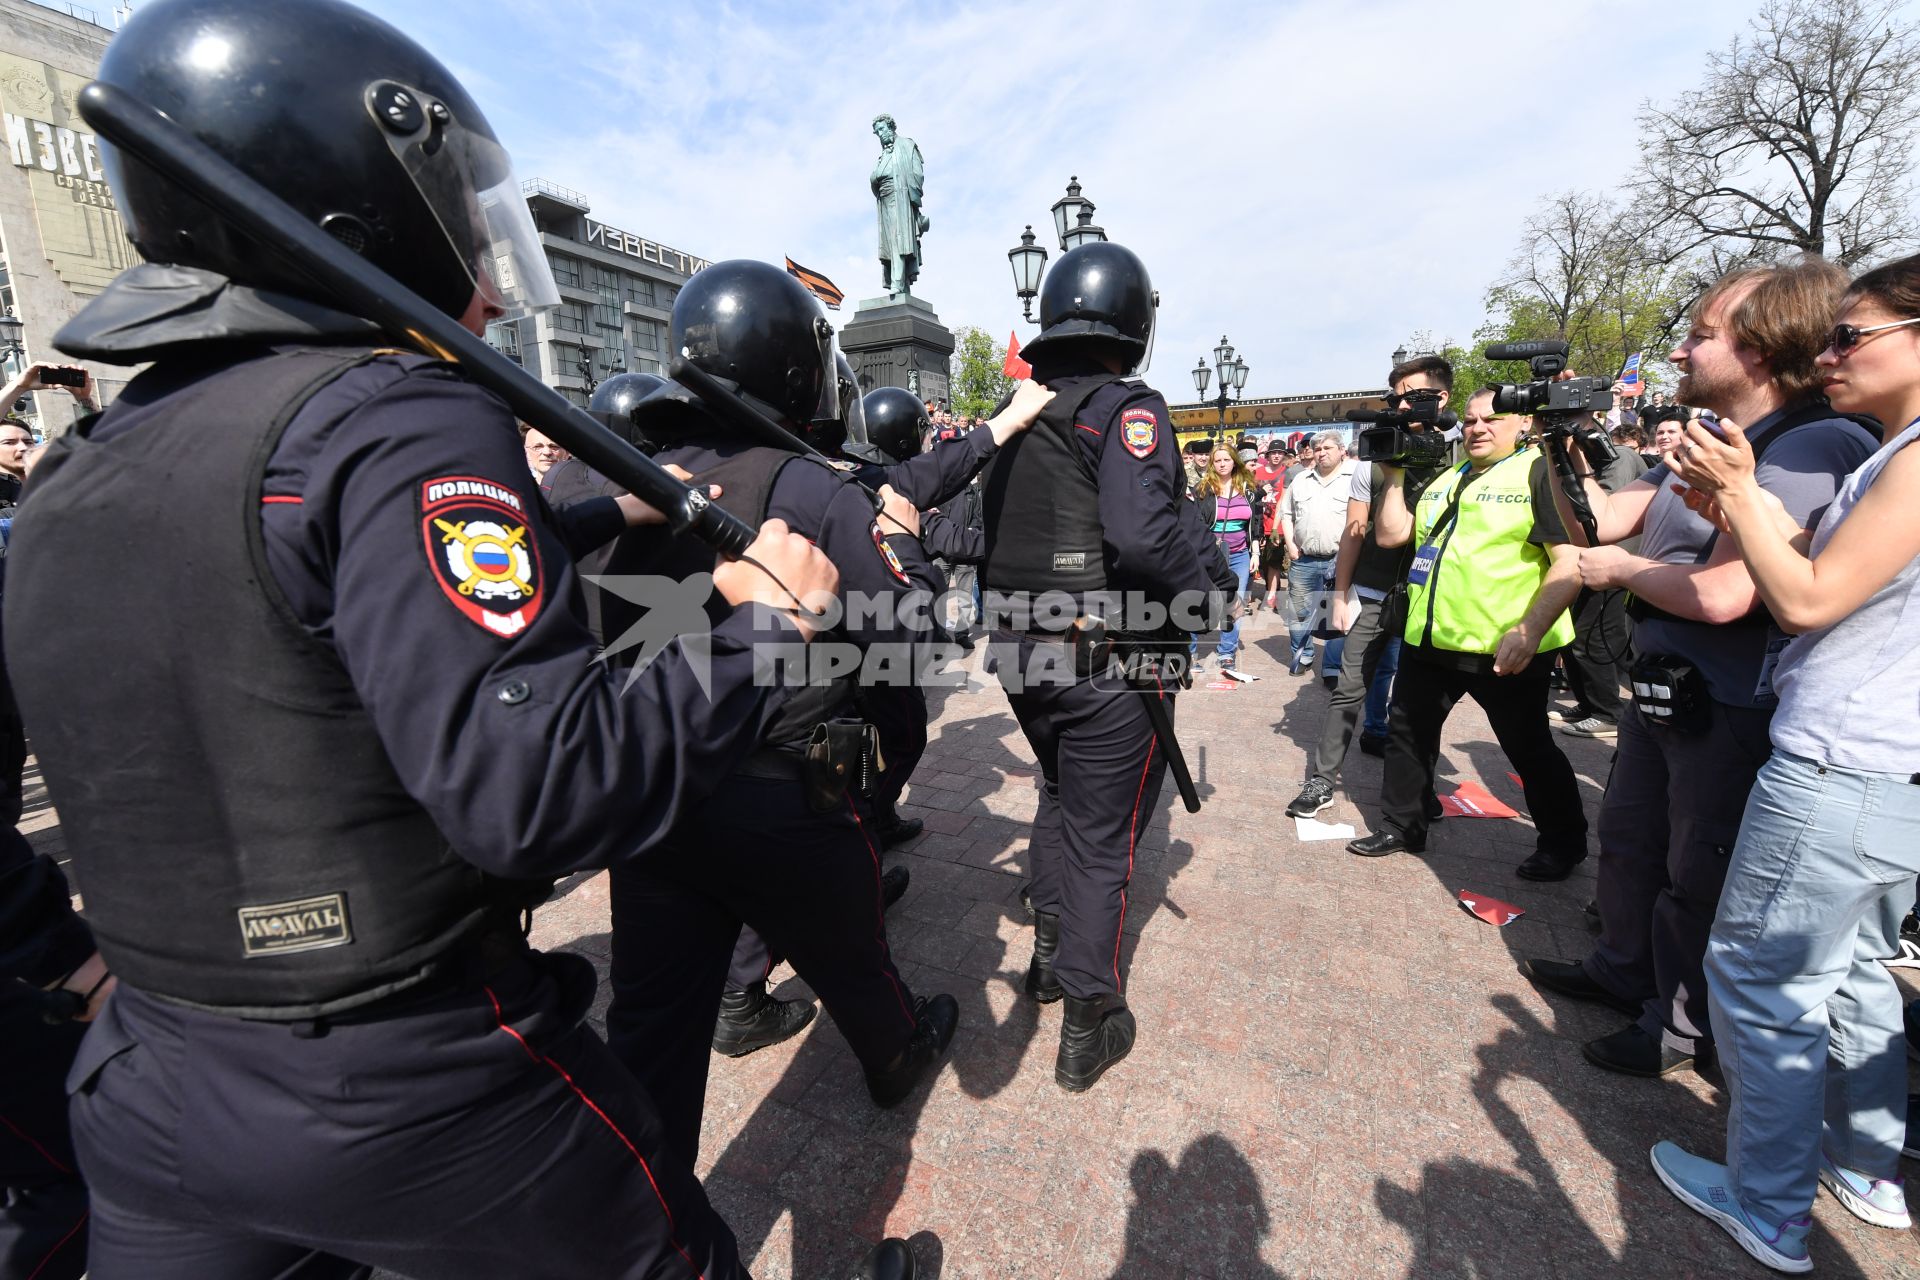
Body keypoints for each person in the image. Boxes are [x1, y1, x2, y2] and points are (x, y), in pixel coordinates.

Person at [0, 3, 916, 1276]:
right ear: (358, 199)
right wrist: (759, 626)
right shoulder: (394, 415)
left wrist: (65, 960)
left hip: (156, 1077)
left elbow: (297, 596)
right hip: (403, 1076)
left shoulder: (73, 471)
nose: (487, 289)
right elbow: (535, 786)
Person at [600, 262, 1028, 1165]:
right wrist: (909, 547)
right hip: (777, 786)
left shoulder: (604, 477)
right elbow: (906, 642)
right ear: (798, 368)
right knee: (853, 950)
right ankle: (894, 1052)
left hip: (649, 781)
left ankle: (652, 1198)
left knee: (647, 1032)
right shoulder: (810, 487)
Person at [1523, 257, 1877, 1081]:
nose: (1680, 353)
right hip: (1667, 687)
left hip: (1729, 704)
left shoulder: (1812, 442)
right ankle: (1621, 972)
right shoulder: (1714, 440)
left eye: (1700, 336)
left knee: (1695, 868)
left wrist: (1626, 575)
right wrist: (1560, 444)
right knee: (1631, 839)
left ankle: (1677, 1029)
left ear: (1760, 349)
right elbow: (1605, 518)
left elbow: (1724, 594)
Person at [1650, 253, 1920, 1273]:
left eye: (1855, 335)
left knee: (1762, 979)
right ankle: (1867, 1167)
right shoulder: (1893, 451)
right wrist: (1741, 501)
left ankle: (1767, 1203)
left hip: (1837, 761)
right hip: (1886, 771)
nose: (1829, 352)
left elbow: (1805, 599)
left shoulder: (1911, 458)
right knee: (1855, 974)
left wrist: (1737, 492)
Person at [979, 240, 1218, 1093]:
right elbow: (1143, 537)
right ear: (1135, 323)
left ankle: (1048, 951)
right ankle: (1090, 1014)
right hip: (1107, 657)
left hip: (1021, 652)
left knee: (1057, 794)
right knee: (1103, 838)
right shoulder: (1126, 409)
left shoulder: (1016, 416)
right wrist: (1203, 607)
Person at [1347, 389, 1590, 881]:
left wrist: (1528, 629)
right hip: (1430, 636)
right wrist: (1393, 475)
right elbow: (1393, 536)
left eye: (1492, 420)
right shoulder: (1447, 476)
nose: (1478, 428)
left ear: (1522, 423)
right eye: (1472, 420)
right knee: (1408, 736)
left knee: (1528, 748)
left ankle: (1563, 844)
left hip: (1504, 645)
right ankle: (1402, 825)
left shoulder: (1538, 472)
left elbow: (1571, 561)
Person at [1288, 354, 1453, 818]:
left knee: (1417, 705)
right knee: (1348, 689)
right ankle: (1321, 781)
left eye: (1411, 398)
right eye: (1395, 399)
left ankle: (1416, 790)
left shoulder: (1465, 452)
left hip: (1434, 600)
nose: (1401, 408)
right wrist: (1340, 593)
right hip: (1375, 595)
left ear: (1441, 398)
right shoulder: (1372, 461)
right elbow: (1353, 532)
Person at [1278, 431, 1353, 680]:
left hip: (1339, 560)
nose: (1321, 452)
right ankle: (1303, 654)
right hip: (1304, 558)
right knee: (1299, 613)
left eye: (1327, 448)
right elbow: (1287, 513)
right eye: (1318, 448)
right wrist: (1290, 544)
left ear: (1341, 450)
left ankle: (1331, 666)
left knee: (1336, 615)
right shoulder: (1301, 479)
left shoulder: (1354, 476)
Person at [1195, 444, 1261, 673]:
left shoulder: (1248, 489)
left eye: (1226, 460)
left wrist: (1255, 552)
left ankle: (1226, 653)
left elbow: (1253, 523)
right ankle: (1191, 653)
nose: (1222, 464)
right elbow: (1194, 523)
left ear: (1235, 461)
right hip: (1209, 557)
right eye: (1218, 460)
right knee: (1199, 601)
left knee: (1235, 604)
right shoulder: (1203, 489)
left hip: (1239, 556)